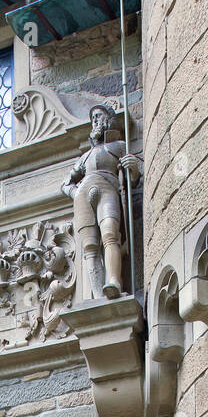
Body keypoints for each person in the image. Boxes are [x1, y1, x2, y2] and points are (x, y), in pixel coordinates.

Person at [62, 103, 140, 301]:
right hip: (83, 193)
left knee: (110, 234)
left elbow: (131, 182)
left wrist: (134, 169)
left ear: (109, 120)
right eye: (93, 118)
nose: (95, 120)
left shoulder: (119, 147)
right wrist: (75, 191)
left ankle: (113, 281)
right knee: (89, 247)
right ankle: (97, 296)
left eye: (99, 116)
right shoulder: (84, 157)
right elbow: (66, 184)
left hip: (107, 186)